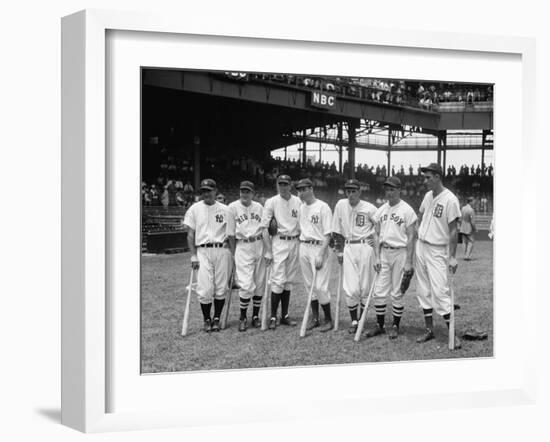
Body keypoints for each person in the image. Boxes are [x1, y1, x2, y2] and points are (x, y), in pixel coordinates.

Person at [415, 164, 461, 348]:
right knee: (423, 290)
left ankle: (452, 334)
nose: (424, 180)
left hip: (437, 250)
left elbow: (453, 231)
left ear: (437, 177)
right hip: (422, 246)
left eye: (428, 177)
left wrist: (452, 256)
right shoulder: (428, 196)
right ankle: (429, 330)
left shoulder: (450, 199)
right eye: (424, 177)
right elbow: (421, 215)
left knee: (440, 292)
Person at [367, 177, 417, 339]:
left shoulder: (407, 210)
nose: (389, 192)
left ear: (399, 190)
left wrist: (409, 261)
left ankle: (395, 325)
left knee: (397, 291)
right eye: (387, 189)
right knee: (379, 291)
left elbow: (411, 236)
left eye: (392, 189)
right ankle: (379, 325)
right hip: (384, 252)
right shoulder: (380, 210)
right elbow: (375, 234)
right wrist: (376, 256)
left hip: (400, 252)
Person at [183, 179, 236, 332]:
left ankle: (217, 318)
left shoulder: (226, 210)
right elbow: (190, 235)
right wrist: (193, 255)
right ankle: (207, 319)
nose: (206, 193)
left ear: (215, 191)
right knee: (205, 288)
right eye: (203, 191)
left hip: (222, 250)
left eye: (209, 190)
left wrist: (234, 256)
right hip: (202, 250)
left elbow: (231, 235)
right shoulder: (194, 209)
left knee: (221, 287)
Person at [332, 179, 381, 334]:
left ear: (360, 192)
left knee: (365, 287)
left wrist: (376, 241)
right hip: (348, 247)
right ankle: (354, 320)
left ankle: (361, 319)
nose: (351, 194)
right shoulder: (340, 205)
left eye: (354, 191)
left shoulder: (370, 208)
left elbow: (379, 227)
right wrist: (339, 250)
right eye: (348, 191)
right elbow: (336, 229)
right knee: (351, 287)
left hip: (365, 247)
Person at [260, 174, 301, 330]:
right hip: (279, 241)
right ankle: (272, 316)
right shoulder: (271, 201)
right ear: (277, 185)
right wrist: (268, 251)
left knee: (288, 280)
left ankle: (284, 315)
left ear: (290, 185)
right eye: (280, 184)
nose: (283, 186)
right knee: (278, 280)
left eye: (285, 184)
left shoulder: (298, 201)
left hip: (294, 241)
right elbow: (264, 228)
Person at [228, 181, 268, 331]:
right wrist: (233, 253)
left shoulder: (259, 207)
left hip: (259, 244)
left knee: (259, 282)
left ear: (253, 193)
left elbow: (264, 228)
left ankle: (255, 316)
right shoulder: (232, 207)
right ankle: (243, 317)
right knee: (245, 283)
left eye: (248, 191)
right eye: (242, 191)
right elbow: (230, 234)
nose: (245, 194)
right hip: (243, 245)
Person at [295, 178, 334, 332]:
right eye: (299, 190)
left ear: (311, 189)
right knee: (309, 284)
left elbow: (328, 233)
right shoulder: (301, 208)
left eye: (304, 189)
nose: (301, 192)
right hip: (304, 245)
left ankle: (328, 319)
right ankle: (316, 318)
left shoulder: (323, 207)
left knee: (320, 286)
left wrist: (321, 254)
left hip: (319, 247)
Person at [459, 196, 477, 261]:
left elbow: (460, 219)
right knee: (471, 242)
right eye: (473, 201)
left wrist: (461, 225)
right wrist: (475, 228)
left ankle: (464, 255)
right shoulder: (471, 210)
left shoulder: (462, 208)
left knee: (464, 242)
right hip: (469, 228)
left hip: (462, 228)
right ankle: (467, 256)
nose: (474, 202)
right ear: (470, 202)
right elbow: (472, 222)